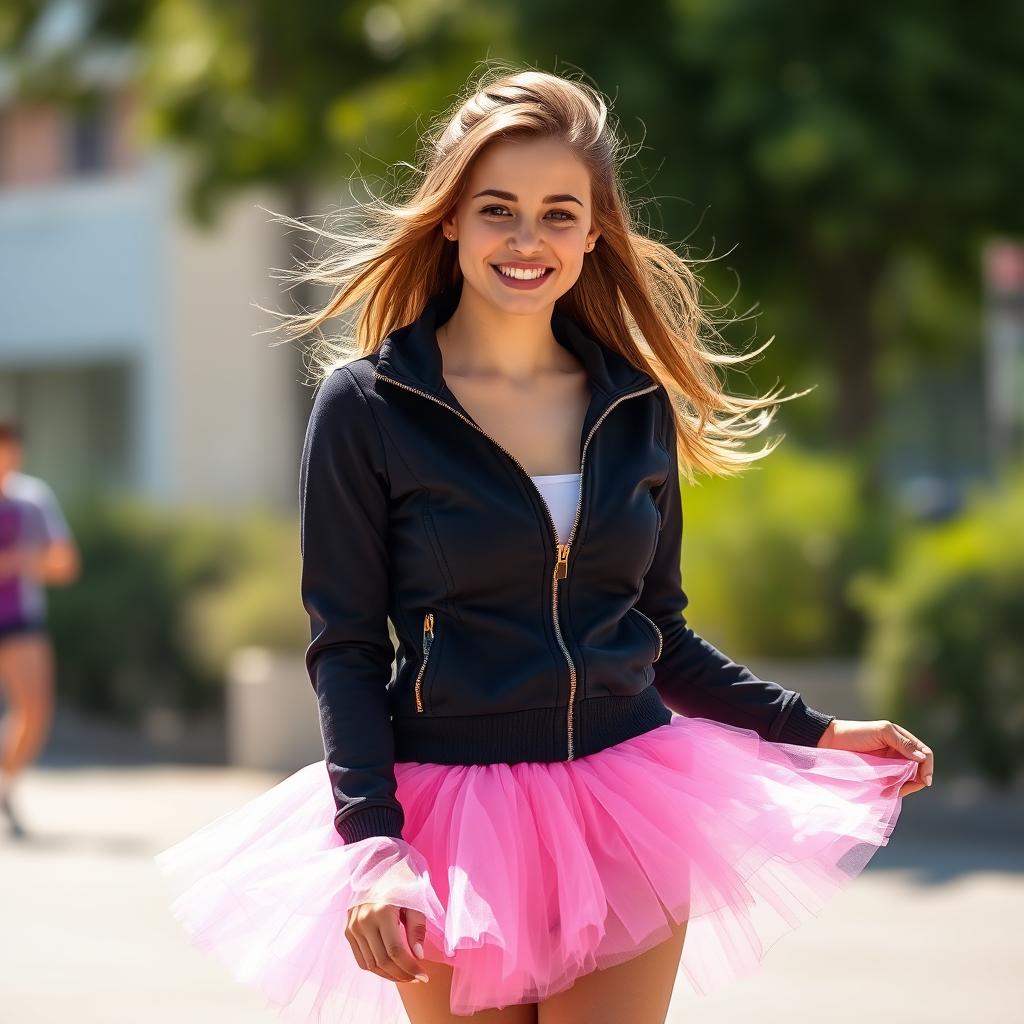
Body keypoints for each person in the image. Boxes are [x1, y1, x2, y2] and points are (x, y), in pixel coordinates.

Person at [154, 66, 933, 1024]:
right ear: (449, 220)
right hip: (449, 821)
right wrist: (374, 851)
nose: (528, 241)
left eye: (559, 213)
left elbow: (659, 632)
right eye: (498, 210)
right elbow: (347, 652)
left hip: (627, 795)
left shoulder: (634, 403)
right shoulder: (368, 407)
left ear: (596, 229)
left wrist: (812, 731)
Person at [0, 419, 80, 839]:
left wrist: (22, 561)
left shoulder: (32, 499)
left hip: (19, 620)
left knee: (34, 711)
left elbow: (65, 562)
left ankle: (7, 784)